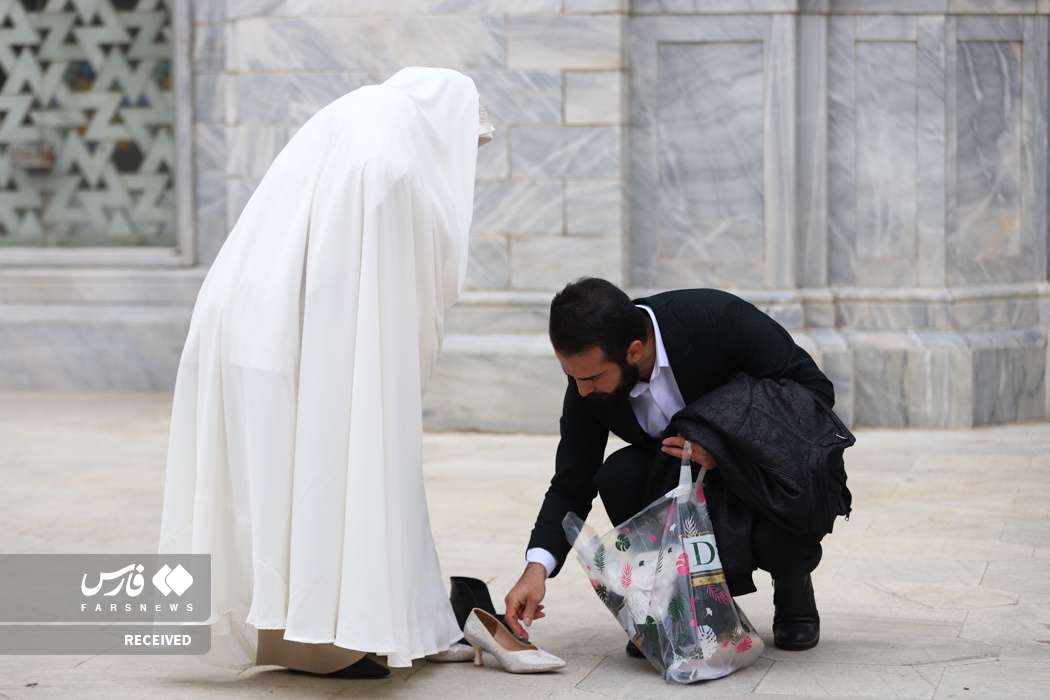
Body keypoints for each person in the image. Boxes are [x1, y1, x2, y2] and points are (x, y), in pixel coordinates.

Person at [159, 67, 494, 677]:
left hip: (254, 320)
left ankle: (318, 632)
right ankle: (325, 643)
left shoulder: (357, 118)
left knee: (290, 484)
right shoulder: (390, 150)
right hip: (300, 334)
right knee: (333, 474)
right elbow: (393, 269)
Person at [504, 277, 838, 656]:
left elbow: (814, 393)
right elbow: (571, 481)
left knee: (785, 548)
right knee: (619, 475)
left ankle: (793, 584)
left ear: (633, 351)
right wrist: (536, 569)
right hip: (680, 481)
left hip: (756, 477)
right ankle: (685, 607)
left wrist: (725, 444)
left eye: (592, 377)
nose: (582, 391)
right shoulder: (587, 380)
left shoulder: (718, 318)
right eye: (573, 376)